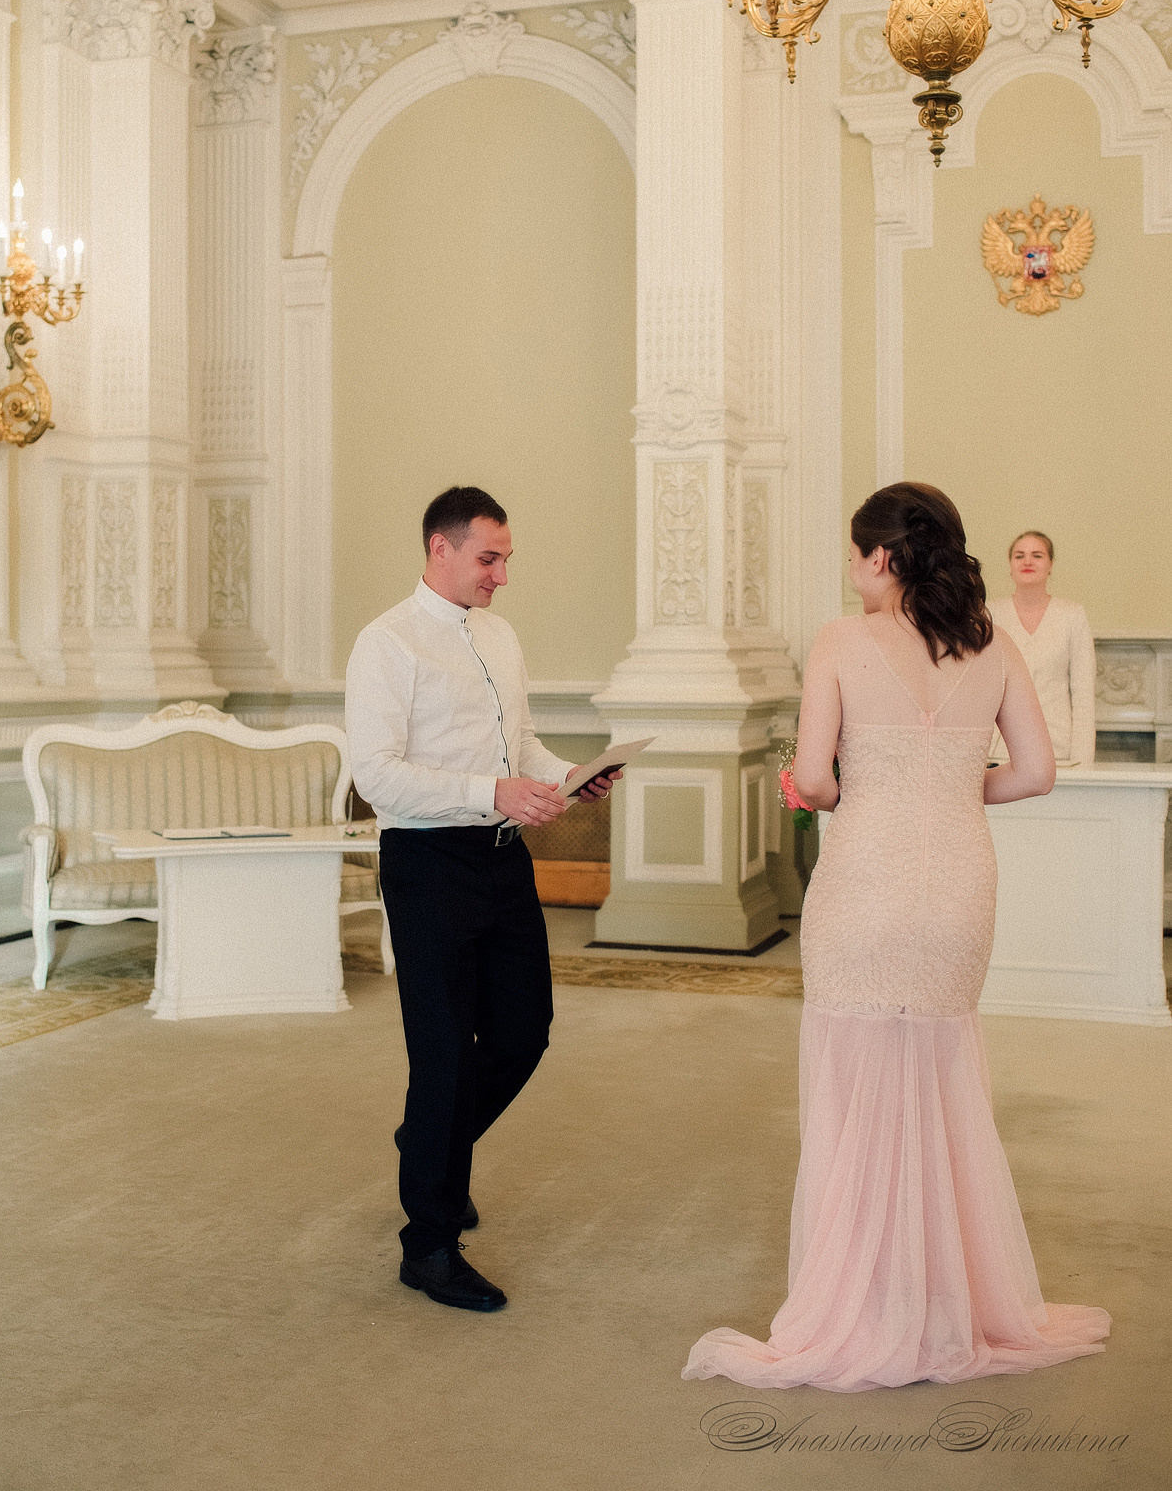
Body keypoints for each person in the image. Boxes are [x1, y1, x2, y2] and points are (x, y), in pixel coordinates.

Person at [683, 482, 1110, 1392]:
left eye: (855, 554)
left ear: (883, 556)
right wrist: (950, 784)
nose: (852, 570)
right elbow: (1036, 772)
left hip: (865, 885)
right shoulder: (993, 644)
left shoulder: (841, 641)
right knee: (943, 1078)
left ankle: (868, 1302)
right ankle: (945, 1298)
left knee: (852, 1084)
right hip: (959, 886)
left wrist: (839, 788)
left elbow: (814, 781)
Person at [345, 485, 620, 1315]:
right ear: (441, 548)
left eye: (505, 559)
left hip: (502, 862)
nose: (501, 575)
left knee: (523, 1031)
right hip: (427, 864)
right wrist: (489, 791)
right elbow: (377, 774)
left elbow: (519, 744)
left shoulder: (500, 635)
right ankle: (427, 1247)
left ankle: (431, 1142)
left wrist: (568, 776)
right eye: (488, 559)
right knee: (442, 1054)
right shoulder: (386, 643)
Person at [989, 531, 1096, 765]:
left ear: (1050, 565)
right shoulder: (991, 613)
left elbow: (1083, 693)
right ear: (1010, 566)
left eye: (1037, 555)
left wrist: (1082, 760)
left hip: (1058, 750)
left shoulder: (1072, 615)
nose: (1027, 561)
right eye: (1019, 556)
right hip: (999, 751)